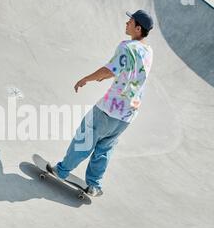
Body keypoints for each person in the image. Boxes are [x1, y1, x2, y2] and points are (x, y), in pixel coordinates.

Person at [48, 10, 154, 197]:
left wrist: (87, 79)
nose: (126, 23)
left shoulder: (126, 46)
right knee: (105, 148)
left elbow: (109, 69)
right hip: (128, 115)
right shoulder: (149, 51)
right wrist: (108, 76)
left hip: (108, 109)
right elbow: (127, 70)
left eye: (130, 22)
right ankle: (94, 185)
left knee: (84, 139)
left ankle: (62, 171)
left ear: (138, 28)